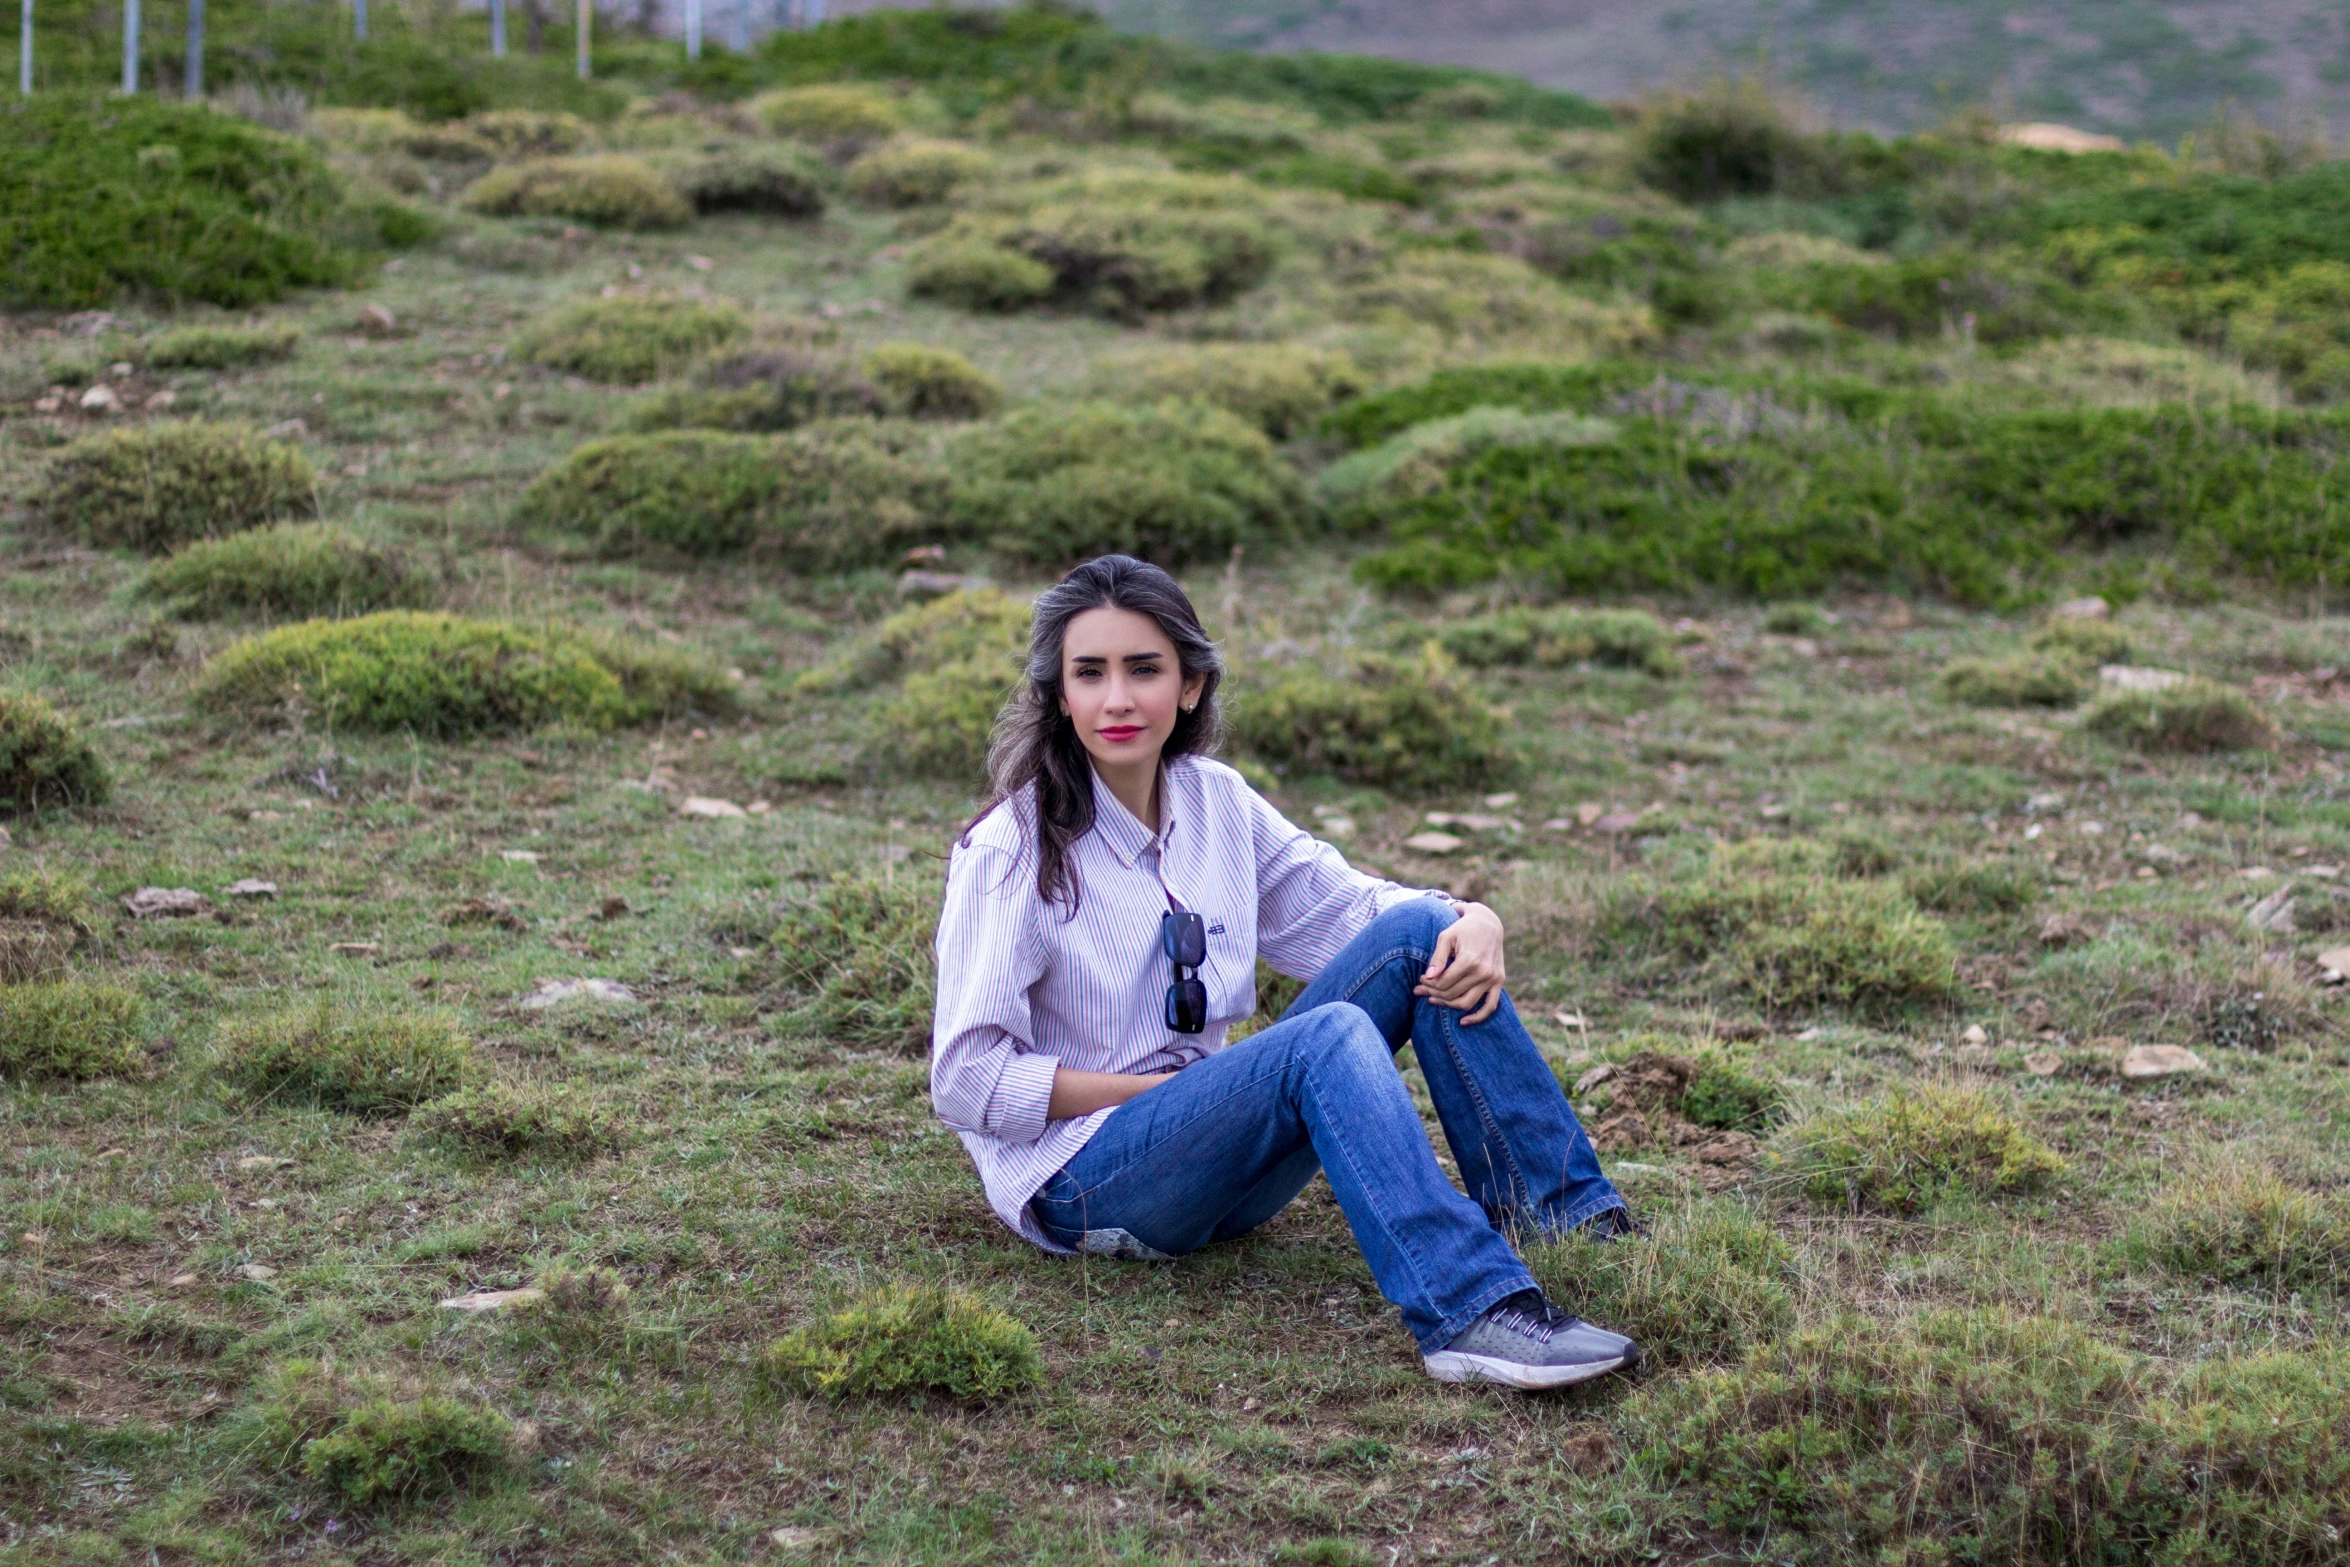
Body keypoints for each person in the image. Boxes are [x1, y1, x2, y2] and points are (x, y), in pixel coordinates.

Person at [929, 555, 1641, 1390]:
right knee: (1324, 1039)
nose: (1117, 699)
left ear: (1190, 685)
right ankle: (1470, 1312)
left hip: (1218, 1160)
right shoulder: (1012, 849)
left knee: (1421, 932)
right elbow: (966, 1080)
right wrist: (1145, 1097)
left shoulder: (1217, 801)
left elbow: (1356, 912)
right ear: (1060, 694)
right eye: (1090, 673)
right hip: (1085, 1178)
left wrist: (1472, 916)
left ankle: (1566, 1218)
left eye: (1144, 669)